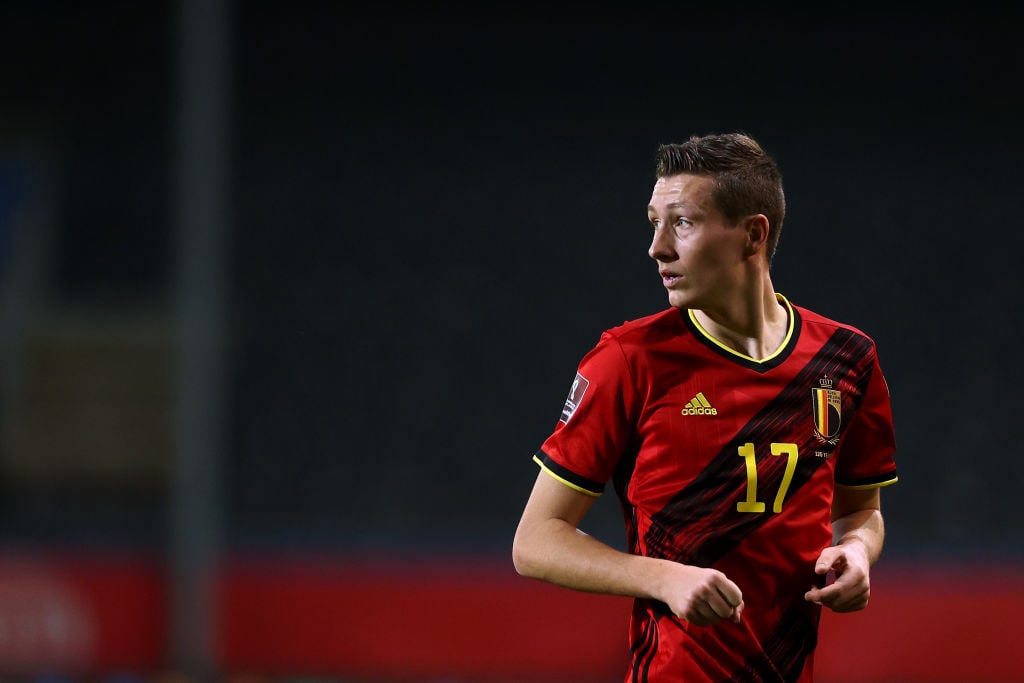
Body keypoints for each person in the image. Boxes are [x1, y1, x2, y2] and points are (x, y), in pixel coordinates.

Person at [512, 132, 898, 682]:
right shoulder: (628, 360)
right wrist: (665, 578)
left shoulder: (847, 359)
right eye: (654, 222)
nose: (657, 247)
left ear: (752, 235)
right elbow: (534, 542)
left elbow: (863, 512)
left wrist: (858, 552)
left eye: (683, 223)